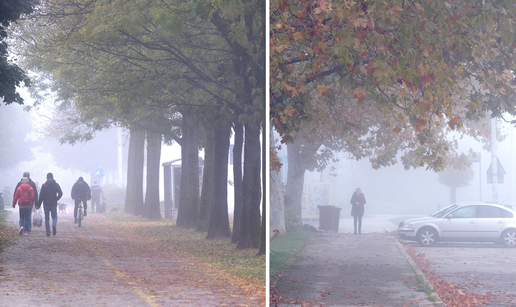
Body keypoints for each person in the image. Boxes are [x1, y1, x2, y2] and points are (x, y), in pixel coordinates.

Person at [37, 173, 63, 237]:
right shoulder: (56, 185)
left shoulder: (44, 186)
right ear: (53, 177)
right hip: (53, 203)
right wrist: (56, 198)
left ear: (47, 178)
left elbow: (41, 196)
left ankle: (48, 232)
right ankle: (54, 225)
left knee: (46, 218)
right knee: (54, 217)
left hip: (46, 203)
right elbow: (60, 193)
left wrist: (38, 204)